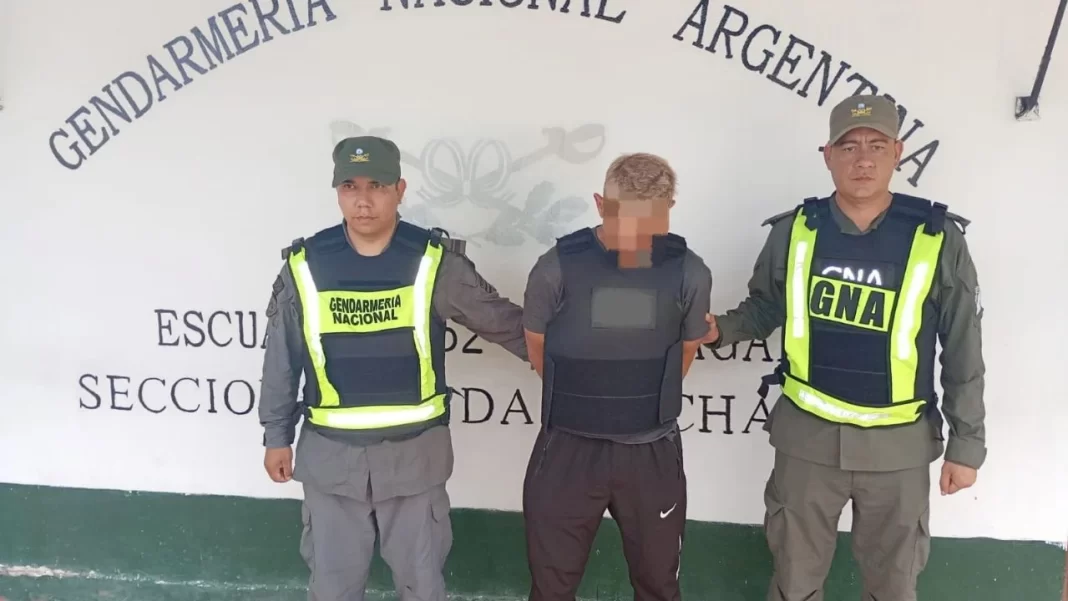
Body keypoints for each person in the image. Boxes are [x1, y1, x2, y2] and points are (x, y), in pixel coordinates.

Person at [702, 94, 986, 601]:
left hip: (898, 449)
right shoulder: (795, 231)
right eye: (849, 146)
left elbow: (963, 347)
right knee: (794, 582)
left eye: (877, 145)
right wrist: (716, 331)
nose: (863, 159)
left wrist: (966, 446)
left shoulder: (937, 237)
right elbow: (765, 309)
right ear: (827, 155)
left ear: (898, 152)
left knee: (893, 586)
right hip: (807, 443)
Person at [258, 135, 528, 601]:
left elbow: (507, 326)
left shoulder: (433, 262)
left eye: (377, 186)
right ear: (337, 191)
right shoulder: (305, 266)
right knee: (333, 591)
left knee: (421, 588)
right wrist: (275, 435)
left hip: (414, 462)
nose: (362, 200)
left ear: (400, 190)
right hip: (332, 462)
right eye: (350, 186)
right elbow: (281, 357)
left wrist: (580, 357)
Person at [521, 153, 713, 601]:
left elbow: (685, 353)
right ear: (599, 204)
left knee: (658, 585)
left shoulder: (689, 271)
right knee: (551, 588)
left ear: (669, 210)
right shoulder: (556, 266)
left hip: (651, 451)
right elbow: (538, 348)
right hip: (568, 447)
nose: (637, 236)